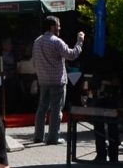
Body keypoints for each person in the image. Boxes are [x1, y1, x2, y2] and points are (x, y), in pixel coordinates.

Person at [30, 17, 84, 145]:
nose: (60, 28)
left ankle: (38, 136)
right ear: (52, 26)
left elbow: (35, 60)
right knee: (56, 109)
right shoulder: (56, 41)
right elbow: (71, 55)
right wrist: (80, 42)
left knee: (42, 108)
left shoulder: (37, 41)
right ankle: (53, 138)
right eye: (58, 25)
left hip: (43, 80)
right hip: (57, 81)